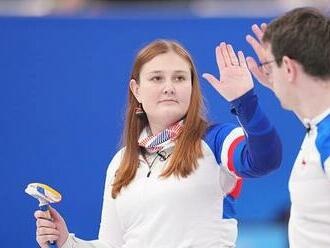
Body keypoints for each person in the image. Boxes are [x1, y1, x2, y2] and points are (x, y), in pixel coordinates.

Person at [34, 39, 282, 248]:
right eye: (156, 78)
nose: (169, 87)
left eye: (180, 78)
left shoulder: (216, 141)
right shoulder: (121, 162)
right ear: (137, 90)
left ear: (191, 87)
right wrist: (66, 240)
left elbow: (265, 159)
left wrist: (245, 101)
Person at [245, 7, 330, 248]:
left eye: (270, 66)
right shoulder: (319, 127)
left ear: (289, 68)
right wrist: (280, 83)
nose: (267, 73)